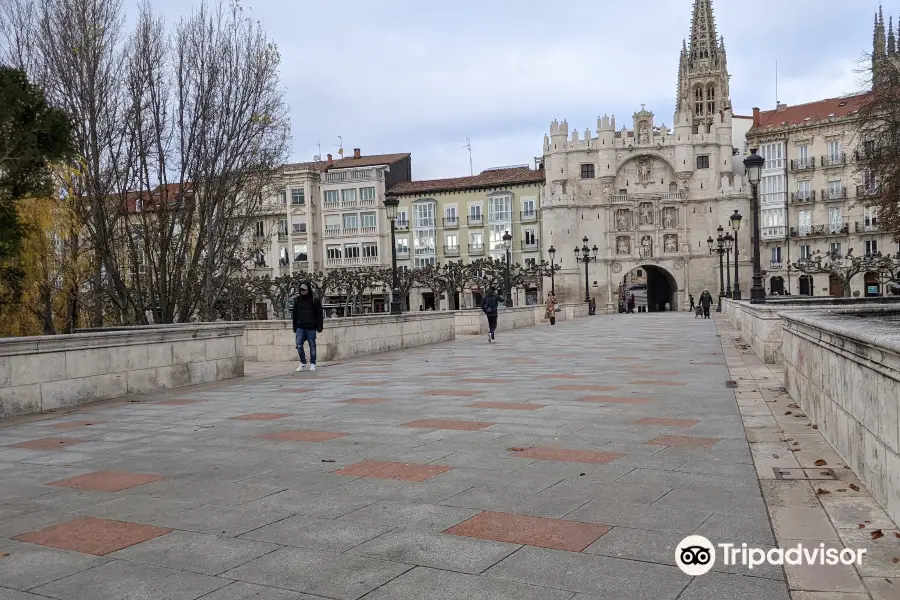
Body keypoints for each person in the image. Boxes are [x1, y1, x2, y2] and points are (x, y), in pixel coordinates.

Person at [292, 281, 324, 371]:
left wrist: (319, 326)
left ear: (308, 289)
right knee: (298, 345)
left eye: (305, 290)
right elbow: (294, 314)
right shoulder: (297, 300)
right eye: (301, 290)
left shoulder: (315, 299)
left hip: (311, 326)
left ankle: (313, 363)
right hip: (300, 326)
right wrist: (294, 326)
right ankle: (303, 362)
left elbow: (319, 314)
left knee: (312, 345)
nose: (303, 291)